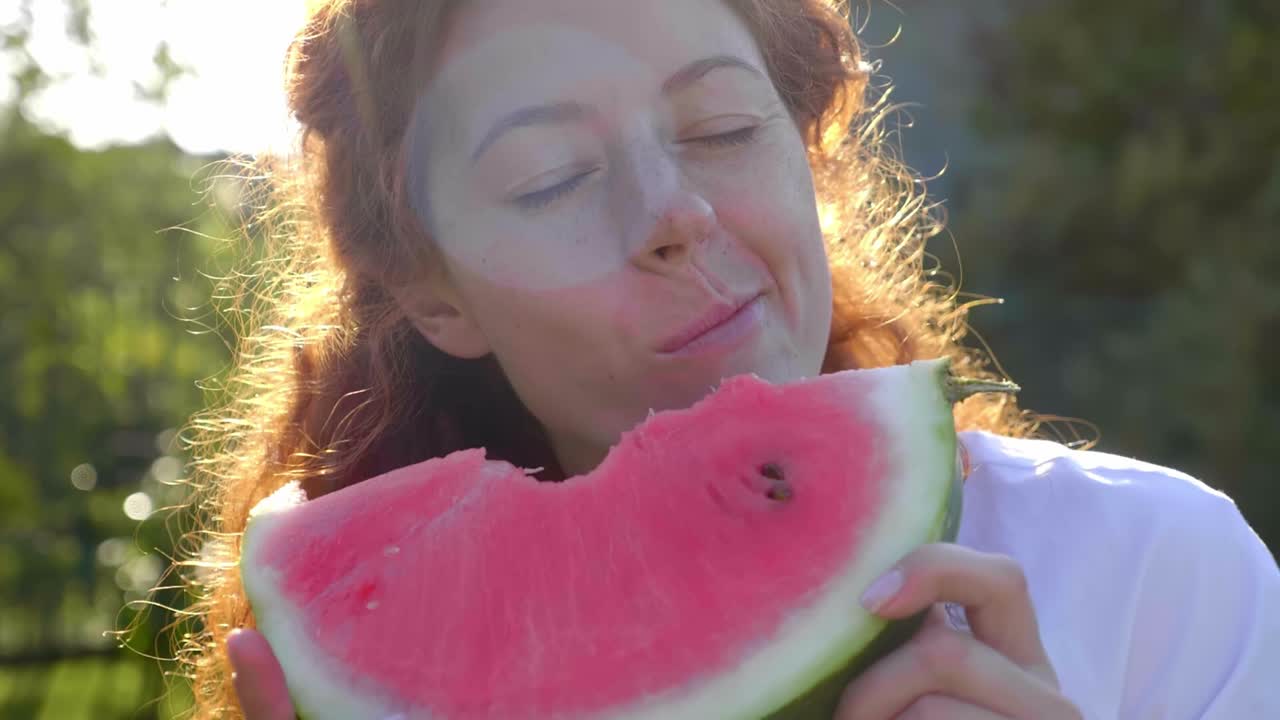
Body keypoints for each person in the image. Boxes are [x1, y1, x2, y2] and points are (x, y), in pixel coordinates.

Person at [162, 0, 1279, 717]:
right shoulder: (383, 657)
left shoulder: (1151, 572)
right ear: (434, 292)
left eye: (722, 128)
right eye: (551, 176)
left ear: (805, 160)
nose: (677, 212)